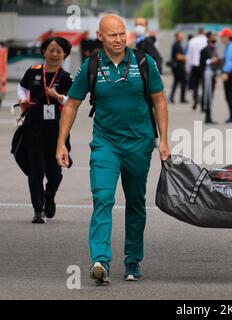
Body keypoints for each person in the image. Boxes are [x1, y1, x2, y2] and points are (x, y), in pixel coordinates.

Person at [56, 14, 170, 284]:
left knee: (135, 203)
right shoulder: (91, 66)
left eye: (122, 34)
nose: (118, 39)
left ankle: (132, 261)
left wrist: (163, 139)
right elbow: (72, 103)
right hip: (105, 144)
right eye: (112, 35)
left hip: (139, 144)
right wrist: (61, 141)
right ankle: (100, 260)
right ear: (100, 36)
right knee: (103, 198)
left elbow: (159, 101)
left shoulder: (144, 62)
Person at [16, 36, 73, 224]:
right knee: (36, 170)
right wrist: (23, 100)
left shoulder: (65, 78)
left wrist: (58, 97)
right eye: (51, 50)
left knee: (55, 174)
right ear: (43, 52)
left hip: (57, 130)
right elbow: (22, 88)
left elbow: (72, 102)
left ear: (65, 55)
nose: (55, 54)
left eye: (59, 51)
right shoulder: (33, 72)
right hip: (33, 127)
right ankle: (38, 210)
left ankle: (49, 197)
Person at [199, 32, 220, 124]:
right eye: (212, 37)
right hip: (207, 75)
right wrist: (211, 60)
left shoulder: (214, 49)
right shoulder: (205, 50)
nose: (214, 38)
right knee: (207, 94)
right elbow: (202, 63)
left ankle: (208, 115)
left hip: (212, 74)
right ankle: (207, 115)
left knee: (210, 95)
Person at [219, 27, 232, 123]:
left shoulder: (231, 46)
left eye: (222, 36)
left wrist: (226, 72)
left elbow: (230, 61)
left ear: (227, 37)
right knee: (228, 95)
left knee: (229, 95)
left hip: (229, 73)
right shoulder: (229, 45)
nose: (221, 38)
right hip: (228, 73)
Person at [186, 28, 208, 110]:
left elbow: (189, 55)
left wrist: (188, 68)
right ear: (204, 32)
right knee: (204, 86)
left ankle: (195, 101)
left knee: (195, 86)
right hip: (203, 65)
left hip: (195, 65)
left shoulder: (192, 41)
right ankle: (203, 104)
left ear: (198, 32)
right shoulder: (206, 40)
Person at [169, 32, 188, 104]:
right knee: (181, 82)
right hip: (178, 68)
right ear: (177, 37)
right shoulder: (176, 45)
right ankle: (181, 98)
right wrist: (186, 57)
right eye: (180, 36)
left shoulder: (178, 45)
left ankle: (172, 97)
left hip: (179, 67)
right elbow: (178, 56)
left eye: (182, 36)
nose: (182, 38)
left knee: (176, 82)